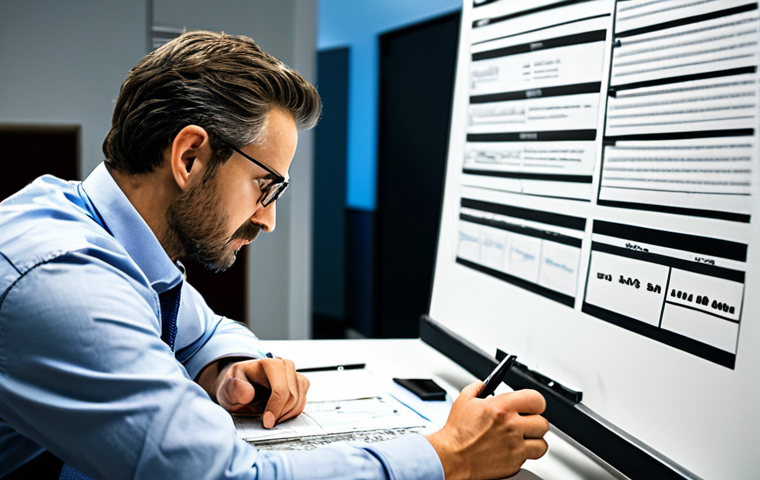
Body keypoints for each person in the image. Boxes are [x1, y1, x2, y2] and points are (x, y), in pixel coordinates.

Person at [0, 31, 549, 480]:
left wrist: (228, 370)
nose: (267, 219)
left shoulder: (99, 226)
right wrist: (447, 453)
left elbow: (205, 330)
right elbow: (227, 479)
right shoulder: (63, 278)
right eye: (265, 187)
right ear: (189, 157)